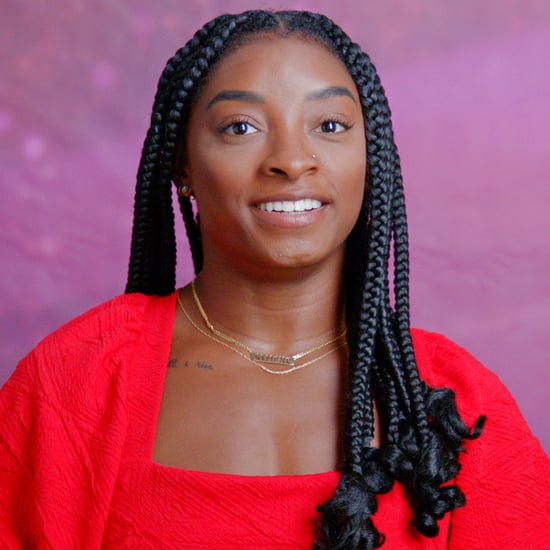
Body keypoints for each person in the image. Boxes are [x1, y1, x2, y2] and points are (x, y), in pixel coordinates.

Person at [1, 9, 548, 550]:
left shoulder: (453, 403)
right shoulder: (74, 383)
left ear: (371, 157)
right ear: (183, 166)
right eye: (241, 127)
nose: (291, 160)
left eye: (330, 125)